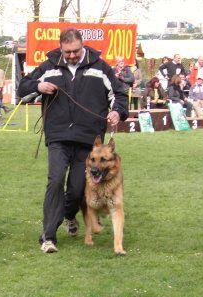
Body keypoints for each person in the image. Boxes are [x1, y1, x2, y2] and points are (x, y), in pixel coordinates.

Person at [17, 28, 128, 253]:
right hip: (58, 135)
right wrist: (38, 86)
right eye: (67, 51)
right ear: (60, 47)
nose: (71, 56)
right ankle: (48, 236)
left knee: (77, 190)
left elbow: (119, 93)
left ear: (83, 45)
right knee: (55, 180)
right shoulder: (49, 66)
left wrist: (117, 112)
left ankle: (69, 215)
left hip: (88, 139)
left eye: (75, 51)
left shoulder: (100, 67)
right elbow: (23, 88)